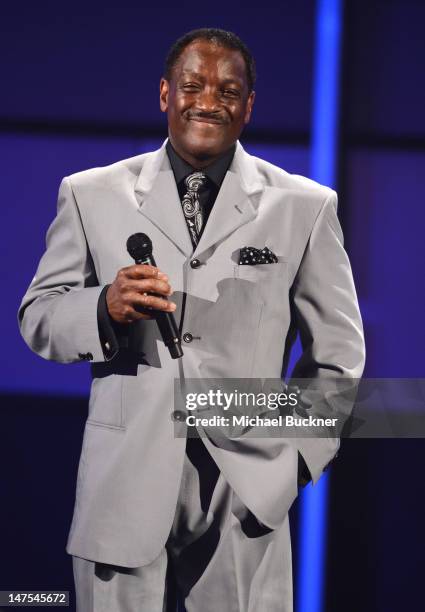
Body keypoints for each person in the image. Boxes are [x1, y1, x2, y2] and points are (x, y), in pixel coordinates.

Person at [18, 28, 365, 612]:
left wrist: (295, 462)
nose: (209, 101)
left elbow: (338, 359)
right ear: (164, 94)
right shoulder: (89, 194)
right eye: (193, 85)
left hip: (246, 490)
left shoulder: (305, 207)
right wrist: (102, 306)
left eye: (229, 90)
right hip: (122, 483)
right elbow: (39, 316)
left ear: (249, 106)